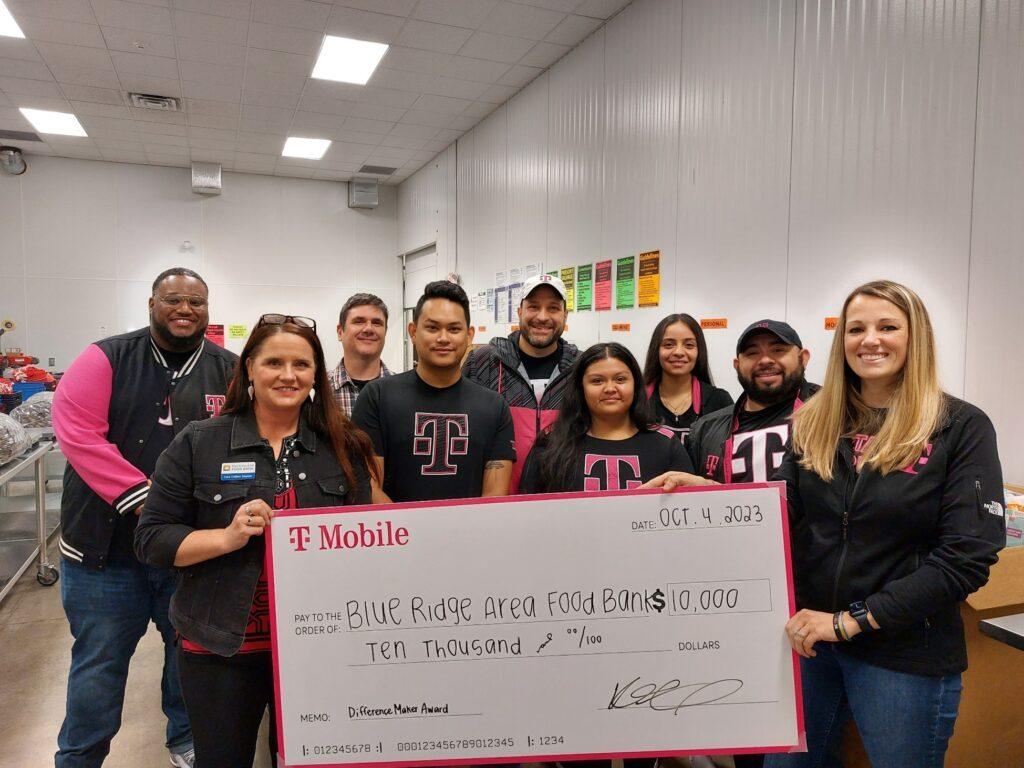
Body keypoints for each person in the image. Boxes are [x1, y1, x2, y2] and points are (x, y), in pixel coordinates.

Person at [764, 281, 1004, 768]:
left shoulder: (960, 427)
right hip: (810, 642)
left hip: (902, 652)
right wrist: (708, 499)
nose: (869, 339)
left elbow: (967, 557)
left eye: (888, 326)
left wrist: (851, 620)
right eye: (856, 329)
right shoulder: (814, 423)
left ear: (916, 338)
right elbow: (780, 514)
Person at [135, 315, 381, 767]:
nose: (288, 376)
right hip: (219, 648)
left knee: (309, 760)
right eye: (273, 362)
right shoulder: (198, 443)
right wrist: (226, 537)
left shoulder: (344, 445)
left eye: (301, 365)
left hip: (315, 649)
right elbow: (151, 539)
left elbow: (363, 548)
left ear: (316, 374)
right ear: (249, 367)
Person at [50, 268, 235, 768]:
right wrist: (144, 499)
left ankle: (185, 741)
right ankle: (80, 756)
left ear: (208, 307)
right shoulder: (104, 358)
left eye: (195, 301)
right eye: (173, 300)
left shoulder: (229, 368)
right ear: (152, 303)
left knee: (188, 661)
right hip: (103, 556)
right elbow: (79, 434)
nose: (184, 309)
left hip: (187, 555)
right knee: (99, 665)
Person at [352, 280, 516, 502]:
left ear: (469, 336)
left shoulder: (494, 407)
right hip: (399, 535)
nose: (443, 338)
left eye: (454, 329)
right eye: (432, 327)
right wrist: (409, 534)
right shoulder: (377, 397)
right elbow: (368, 486)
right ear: (413, 331)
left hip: (470, 535)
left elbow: (494, 497)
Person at [519, 343, 697, 493]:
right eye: (597, 381)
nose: (610, 388)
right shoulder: (550, 444)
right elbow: (527, 513)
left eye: (620, 379)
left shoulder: (665, 444)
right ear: (580, 389)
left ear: (636, 385)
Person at [463, 273, 579, 492]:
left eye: (553, 308)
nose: (542, 317)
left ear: (565, 315)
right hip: (494, 501)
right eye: (533, 307)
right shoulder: (484, 362)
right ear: (519, 312)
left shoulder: (580, 369)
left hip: (561, 502)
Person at [688, 320, 818, 484]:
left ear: (803, 358)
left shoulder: (834, 412)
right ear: (737, 365)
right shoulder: (704, 431)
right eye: (752, 353)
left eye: (778, 350)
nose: (765, 360)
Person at [643, 313, 733, 443]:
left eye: (689, 345)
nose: (679, 352)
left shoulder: (719, 401)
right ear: (656, 350)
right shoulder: (637, 399)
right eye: (669, 345)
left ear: (699, 351)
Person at [329, 292, 392, 417]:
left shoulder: (404, 390)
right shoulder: (320, 390)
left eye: (376, 323)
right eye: (359, 322)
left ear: (385, 332)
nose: (368, 329)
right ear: (340, 332)